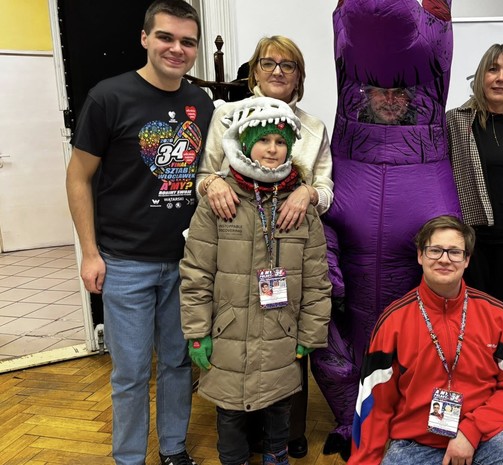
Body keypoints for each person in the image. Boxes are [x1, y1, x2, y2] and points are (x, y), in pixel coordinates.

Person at [64, 1, 213, 464]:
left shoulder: (202, 104)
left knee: (177, 363)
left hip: (186, 264)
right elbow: (78, 177)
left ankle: (173, 449)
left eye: (187, 41)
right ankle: (129, 457)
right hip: (125, 262)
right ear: (145, 38)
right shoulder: (109, 97)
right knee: (130, 373)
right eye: (166, 37)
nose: (177, 48)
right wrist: (90, 252)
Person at [314, 1, 462, 456]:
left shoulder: (431, 155)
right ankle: (352, 424)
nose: (390, 98)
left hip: (410, 301)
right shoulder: (341, 150)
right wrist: (329, 262)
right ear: (365, 94)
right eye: (380, 91)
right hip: (352, 297)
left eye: (400, 91)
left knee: (415, 355)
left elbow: (449, 238)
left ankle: (406, 427)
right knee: (340, 355)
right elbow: (324, 211)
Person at [196, 35, 334, 458]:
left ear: (299, 77)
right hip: (234, 231)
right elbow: (204, 174)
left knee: (282, 357)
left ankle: (286, 438)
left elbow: (325, 186)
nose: (277, 71)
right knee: (236, 354)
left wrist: (307, 193)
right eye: (268, 63)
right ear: (254, 70)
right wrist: (214, 183)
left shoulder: (313, 127)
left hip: (289, 238)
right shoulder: (226, 116)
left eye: (288, 65)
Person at [349, 215, 503, 465]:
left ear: (467, 260)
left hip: (490, 435)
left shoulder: (498, 315)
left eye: (454, 252)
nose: (444, 259)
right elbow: (374, 402)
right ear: (420, 256)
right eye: (435, 250)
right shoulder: (393, 321)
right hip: (416, 443)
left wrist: (471, 430)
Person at [447, 43, 503, 319]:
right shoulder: (456, 121)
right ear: (480, 76)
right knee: (469, 320)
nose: (501, 78)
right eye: (493, 69)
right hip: (471, 243)